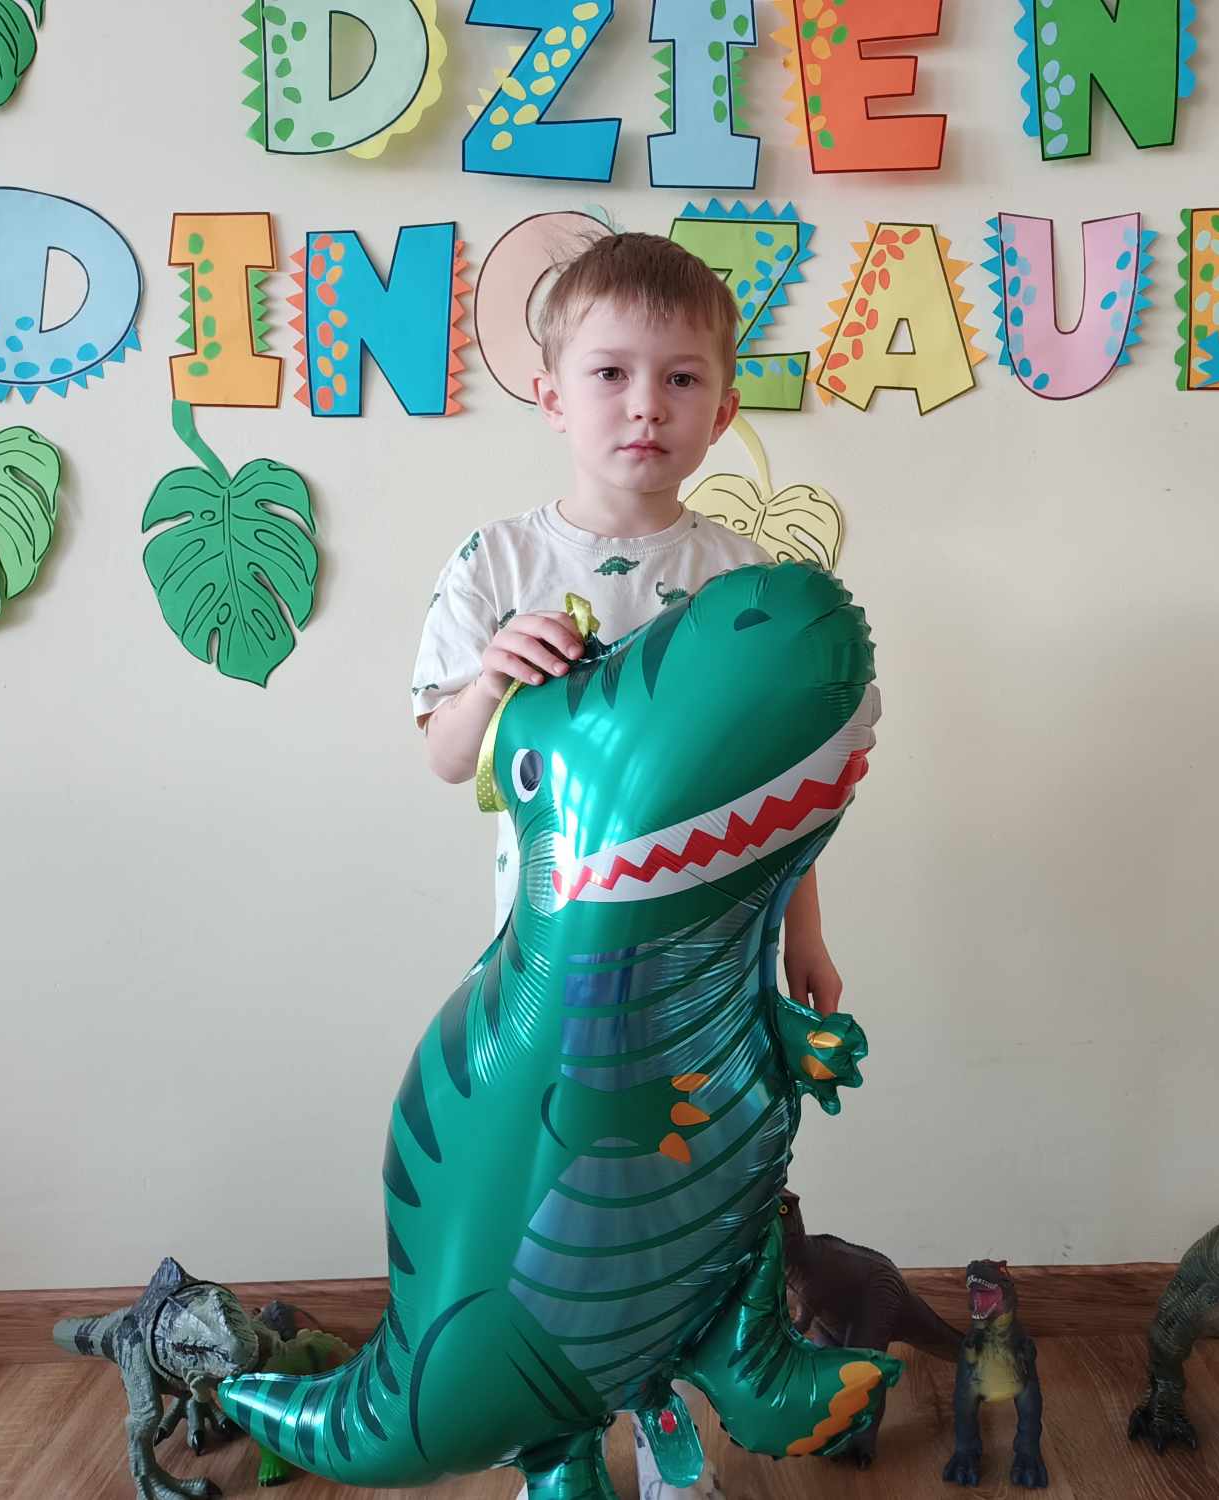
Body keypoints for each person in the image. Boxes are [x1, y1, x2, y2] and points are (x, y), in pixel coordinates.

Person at [408, 231, 846, 1499]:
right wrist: (493, 675)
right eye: (609, 374)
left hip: (706, 973)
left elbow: (781, 803)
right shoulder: (495, 564)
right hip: (547, 970)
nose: (644, 405)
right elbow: (442, 756)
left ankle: (660, 1410)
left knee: (684, 1191)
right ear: (552, 395)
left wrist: (805, 935)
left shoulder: (742, 580)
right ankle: (554, 1439)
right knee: (550, 1194)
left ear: (722, 407)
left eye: (680, 378)